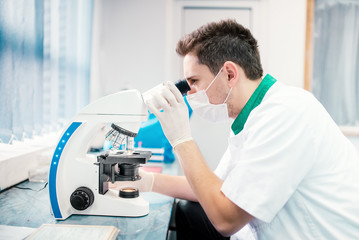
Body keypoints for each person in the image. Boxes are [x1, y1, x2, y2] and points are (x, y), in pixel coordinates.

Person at [124, 19, 359, 239]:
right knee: (188, 210)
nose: (190, 93)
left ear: (229, 73)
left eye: (194, 81)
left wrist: (182, 140)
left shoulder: (286, 113)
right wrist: (145, 180)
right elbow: (214, 187)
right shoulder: (251, 118)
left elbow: (226, 218)